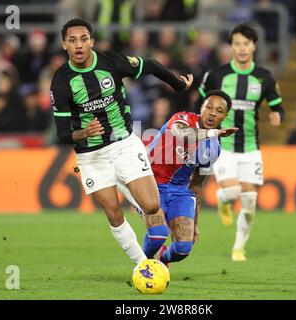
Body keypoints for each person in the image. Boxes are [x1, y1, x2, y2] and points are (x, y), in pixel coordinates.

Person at [50, 18, 193, 265]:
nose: (79, 45)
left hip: (123, 143)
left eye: (84, 39)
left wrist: (178, 85)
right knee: (113, 212)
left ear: (91, 41)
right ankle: (143, 265)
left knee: (151, 205)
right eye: (72, 40)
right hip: (91, 154)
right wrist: (84, 133)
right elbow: (61, 134)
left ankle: (130, 191)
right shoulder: (61, 81)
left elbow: (151, 65)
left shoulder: (111, 61)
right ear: (65, 45)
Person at [118, 90, 237, 266]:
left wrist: (195, 223)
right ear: (202, 107)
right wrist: (214, 133)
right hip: (148, 181)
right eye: (209, 107)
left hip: (179, 191)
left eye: (219, 110)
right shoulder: (182, 119)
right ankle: (144, 266)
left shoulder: (213, 149)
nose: (212, 112)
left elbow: (197, 184)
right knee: (159, 234)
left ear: (225, 116)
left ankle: (163, 259)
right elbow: (183, 135)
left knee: (183, 248)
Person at [197, 23, 285, 262]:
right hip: (223, 145)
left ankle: (238, 248)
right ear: (231, 46)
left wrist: (277, 114)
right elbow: (202, 104)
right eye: (237, 43)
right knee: (232, 190)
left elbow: (277, 105)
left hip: (251, 148)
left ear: (254, 46)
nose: (242, 48)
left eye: (246, 43)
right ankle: (223, 201)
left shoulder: (264, 77)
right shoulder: (217, 75)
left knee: (250, 201)